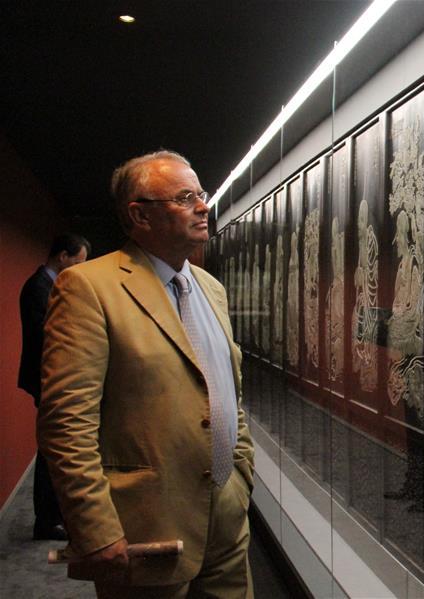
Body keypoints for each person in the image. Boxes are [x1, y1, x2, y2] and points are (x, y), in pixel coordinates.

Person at [38, 150, 255, 597]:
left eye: (201, 194)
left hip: (227, 516)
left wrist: (241, 475)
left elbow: (225, 391)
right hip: (146, 525)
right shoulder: (88, 287)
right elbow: (67, 423)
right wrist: (96, 529)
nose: (203, 206)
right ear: (139, 215)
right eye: (185, 197)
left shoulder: (210, 288)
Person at [18, 232, 90, 541]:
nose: (79, 268)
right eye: (78, 261)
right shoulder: (38, 288)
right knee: (51, 450)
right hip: (46, 379)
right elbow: (47, 336)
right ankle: (46, 521)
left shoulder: (49, 285)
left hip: (52, 378)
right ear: (62, 257)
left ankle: (54, 515)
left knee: (55, 447)